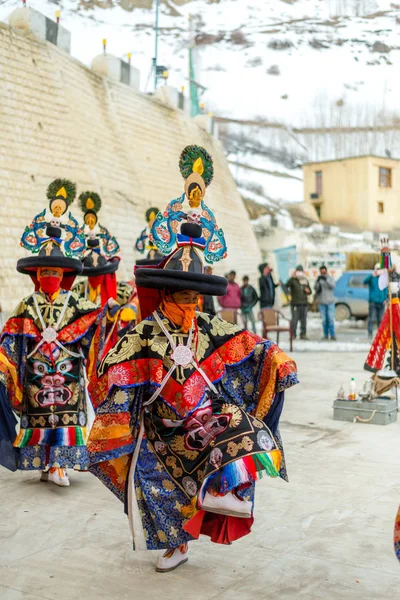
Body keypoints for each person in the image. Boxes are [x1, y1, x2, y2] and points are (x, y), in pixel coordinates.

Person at [87, 148, 298, 574]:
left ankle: (225, 494)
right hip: (161, 427)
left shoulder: (207, 324)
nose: (191, 303)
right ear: (166, 294)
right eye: (183, 296)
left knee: (246, 434)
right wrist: (113, 384)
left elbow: (247, 343)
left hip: (203, 418)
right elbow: (117, 363)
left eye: (195, 296)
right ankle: (176, 544)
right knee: (155, 482)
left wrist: (276, 358)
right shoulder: (146, 331)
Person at [0, 180, 107, 486]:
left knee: (62, 414)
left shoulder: (75, 302)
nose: (50, 276)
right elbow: (12, 337)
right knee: (39, 416)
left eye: (55, 272)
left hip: (67, 371)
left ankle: (60, 462)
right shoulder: (26, 303)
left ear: (64, 275)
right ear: (37, 274)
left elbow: (92, 324)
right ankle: (46, 464)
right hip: (35, 371)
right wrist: (6, 365)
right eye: (45, 272)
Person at [285, 265, 312, 340]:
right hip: (295, 303)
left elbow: (310, 291)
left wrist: (308, 291)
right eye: (298, 272)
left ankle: (303, 334)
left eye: (301, 272)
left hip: (304, 303)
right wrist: (292, 277)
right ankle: (293, 334)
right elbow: (286, 286)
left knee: (304, 320)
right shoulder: (293, 280)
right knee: (294, 319)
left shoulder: (305, 280)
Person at [364, 263, 388, 339]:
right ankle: (370, 334)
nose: (378, 271)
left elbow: (385, 290)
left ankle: (380, 334)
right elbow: (365, 281)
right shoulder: (372, 277)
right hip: (373, 302)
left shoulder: (383, 279)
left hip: (381, 302)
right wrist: (372, 275)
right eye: (377, 269)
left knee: (380, 319)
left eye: (379, 270)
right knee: (371, 318)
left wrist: (385, 299)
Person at [315, 265, 336, 341]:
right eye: (321, 271)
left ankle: (333, 335)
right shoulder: (319, 279)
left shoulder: (330, 278)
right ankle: (326, 335)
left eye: (324, 271)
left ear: (326, 271)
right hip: (322, 303)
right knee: (324, 320)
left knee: (330, 319)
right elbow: (316, 289)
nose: (323, 273)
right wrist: (318, 282)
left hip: (330, 302)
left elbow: (333, 286)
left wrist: (326, 280)